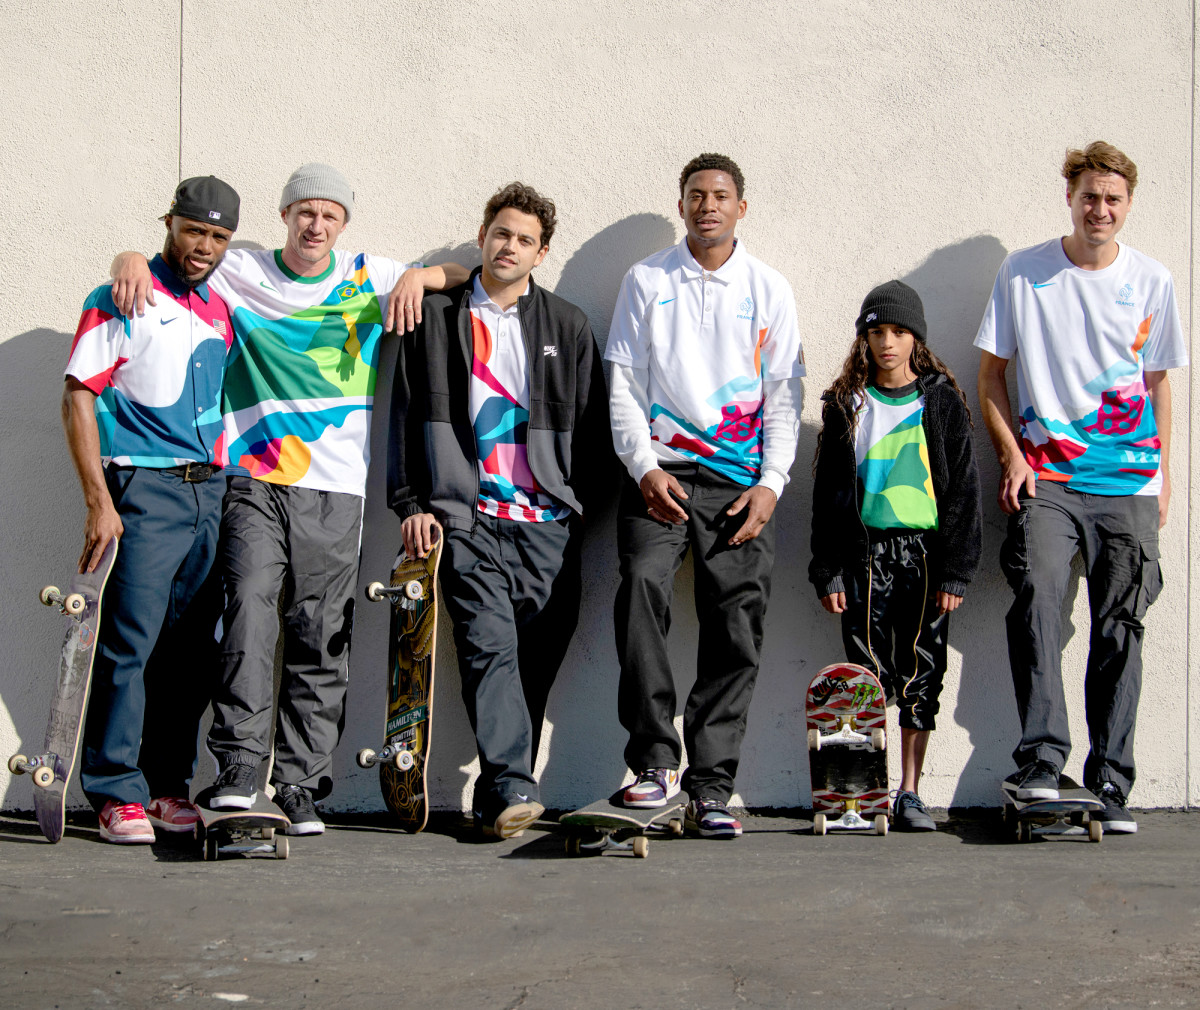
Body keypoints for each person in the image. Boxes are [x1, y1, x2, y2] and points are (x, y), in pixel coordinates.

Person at [110, 164, 468, 834]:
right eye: (305, 211)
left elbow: (465, 268)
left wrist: (420, 276)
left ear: (343, 224)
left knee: (319, 633)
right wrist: (128, 255)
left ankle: (301, 782)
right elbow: (170, 263)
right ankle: (240, 767)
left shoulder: (367, 274)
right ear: (284, 216)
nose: (316, 225)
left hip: (335, 487)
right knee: (245, 616)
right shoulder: (242, 270)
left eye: (330, 215)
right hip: (250, 479)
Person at [976, 141, 1187, 833]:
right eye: (1090, 196)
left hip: (1127, 481)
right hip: (1050, 480)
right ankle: (1042, 761)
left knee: (1119, 626)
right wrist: (1013, 457)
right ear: (1070, 197)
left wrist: (1162, 477)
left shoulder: (1152, 280)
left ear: (1128, 206)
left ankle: (1112, 781)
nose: (1101, 209)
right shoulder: (1024, 272)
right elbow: (991, 376)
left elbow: (1158, 385)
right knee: (1036, 596)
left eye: (1113, 199)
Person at [388, 182, 610, 839]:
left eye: (524, 239)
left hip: (548, 526)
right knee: (488, 648)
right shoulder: (435, 317)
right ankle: (515, 783)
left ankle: (496, 797)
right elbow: (405, 417)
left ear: (541, 254)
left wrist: (575, 510)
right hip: (470, 516)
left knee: (530, 668)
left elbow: (594, 431)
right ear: (482, 236)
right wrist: (410, 502)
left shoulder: (566, 326)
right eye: (500, 233)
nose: (508, 246)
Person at [605, 153, 804, 838]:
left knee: (735, 625)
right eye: (695, 195)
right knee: (639, 590)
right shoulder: (646, 280)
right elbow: (624, 390)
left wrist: (771, 486)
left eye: (720, 195)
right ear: (681, 205)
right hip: (657, 476)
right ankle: (653, 763)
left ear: (740, 207)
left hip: (739, 483)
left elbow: (785, 397)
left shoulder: (769, 288)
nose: (708, 205)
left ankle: (713, 786)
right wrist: (642, 468)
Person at [65, 176, 240, 843]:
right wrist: (98, 501)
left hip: (212, 491)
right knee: (129, 646)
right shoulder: (124, 296)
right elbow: (78, 394)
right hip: (146, 488)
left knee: (193, 651)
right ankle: (115, 790)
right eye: (194, 230)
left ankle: (168, 784)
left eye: (218, 236)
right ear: (169, 223)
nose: (204, 246)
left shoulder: (221, 307)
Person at [809, 280, 981, 831]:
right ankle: (863, 793)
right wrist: (828, 567)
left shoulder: (941, 402)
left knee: (922, 670)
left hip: (924, 557)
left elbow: (964, 493)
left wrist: (956, 568)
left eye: (899, 332)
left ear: (916, 339)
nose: (887, 342)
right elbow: (828, 495)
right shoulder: (847, 405)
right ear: (864, 338)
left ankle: (910, 792)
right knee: (864, 674)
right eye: (877, 331)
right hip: (863, 555)